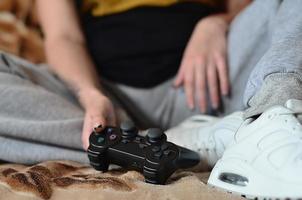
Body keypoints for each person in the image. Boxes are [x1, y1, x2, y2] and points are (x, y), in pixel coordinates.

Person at [1, 0, 302, 198]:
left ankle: (269, 116)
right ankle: (155, 144)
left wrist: (218, 22)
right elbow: (63, 36)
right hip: (108, 102)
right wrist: (90, 94)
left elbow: (245, 6)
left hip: (208, 84)